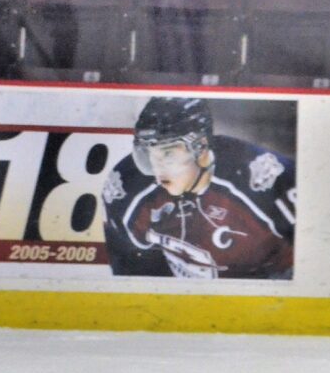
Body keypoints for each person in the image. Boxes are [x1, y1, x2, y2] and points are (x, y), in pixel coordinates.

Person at [102, 97, 296, 279]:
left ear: (200, 147)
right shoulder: (127, 189)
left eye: (168, 153)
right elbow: (132, 267)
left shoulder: (260, 178)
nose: (157, 168)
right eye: (149, 153)